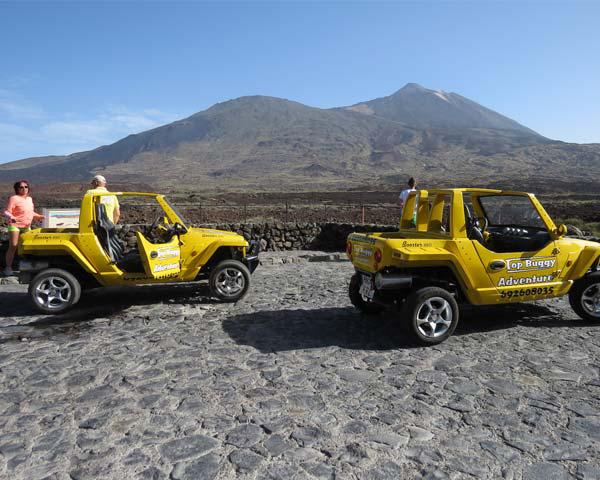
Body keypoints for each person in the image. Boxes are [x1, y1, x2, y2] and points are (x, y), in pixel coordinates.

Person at [3, 180, 44, 276]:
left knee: (28, 246)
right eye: (21, 187)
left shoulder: (29, 199)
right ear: (17, 189)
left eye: (26, 187)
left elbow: (30, 212)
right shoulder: (14, 198)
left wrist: (39, 216)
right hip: (15, 225)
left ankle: (27, 267)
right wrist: (11, 217)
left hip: (26, 226)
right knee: (13, 246)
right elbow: (6, 211)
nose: (24, 189)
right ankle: (8, 268)